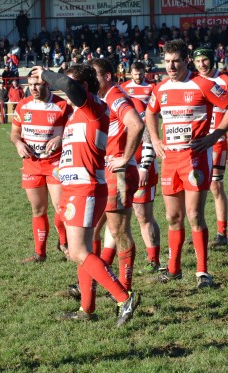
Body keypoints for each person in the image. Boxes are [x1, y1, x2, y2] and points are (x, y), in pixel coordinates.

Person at [30, 64, 139, 325]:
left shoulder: (94, 107)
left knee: (79, 250)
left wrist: (44, 74)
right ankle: (87, 309)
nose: (65, 88)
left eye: (72, 84)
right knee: (83, 249)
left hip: (85, 187)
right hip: (74, 186)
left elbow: (67, 86)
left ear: (85, 87)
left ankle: (124, 298)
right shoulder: (78, 112)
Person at [145, 39, 228, 287]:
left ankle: (203, 273)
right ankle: (174, 269)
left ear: (186, 60)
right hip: (169, 161)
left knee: (194, 216)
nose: (171, 66)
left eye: (176, 60)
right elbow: (149, 112)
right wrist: (155, 139)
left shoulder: (202, 84)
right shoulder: (160, 88)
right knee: (172, 217)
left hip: (195, 160)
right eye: (166, 61)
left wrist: (215, 135)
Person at [87, 58, 144, 292]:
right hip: (104, 173)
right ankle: (98, 280)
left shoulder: (115, 96)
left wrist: (124, 157)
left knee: (120, 232)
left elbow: (136, 124)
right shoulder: (102, 98)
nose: (90, 81)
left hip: (117, 174)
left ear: (107, 76)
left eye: (95, 76)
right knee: (92, 230)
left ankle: (125, 289)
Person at [10, 70, 71, 263]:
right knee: (38, 209)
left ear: (47, 84)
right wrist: (19, 144)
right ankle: (39, 254)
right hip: (32, 164)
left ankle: (64, 243)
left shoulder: (62, 106)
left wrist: (60, 138)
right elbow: (14, 133)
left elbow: (74, 130)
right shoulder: (23, 105)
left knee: (60, 207)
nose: (33, 88)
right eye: (30, 84)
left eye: (37, 84)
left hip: (56, 163)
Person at [191, 48, 228, 249]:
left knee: (216, 186)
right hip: (197, 141)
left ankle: (221, 233)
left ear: (212, 60)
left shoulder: (226, 81)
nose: (201, 64)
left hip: (217, 140)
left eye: (205, 60)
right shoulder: (194, 80)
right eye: (198, 61)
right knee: (195, 187)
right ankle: (198, 228)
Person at [121, 62, 162, 273]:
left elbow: (148, 136)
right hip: (119, 169)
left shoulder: (138, 104)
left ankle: (153, 259)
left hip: (142, 166)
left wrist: (145, 166)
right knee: (118, 216)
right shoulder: (112, 102)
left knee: (143, 215)